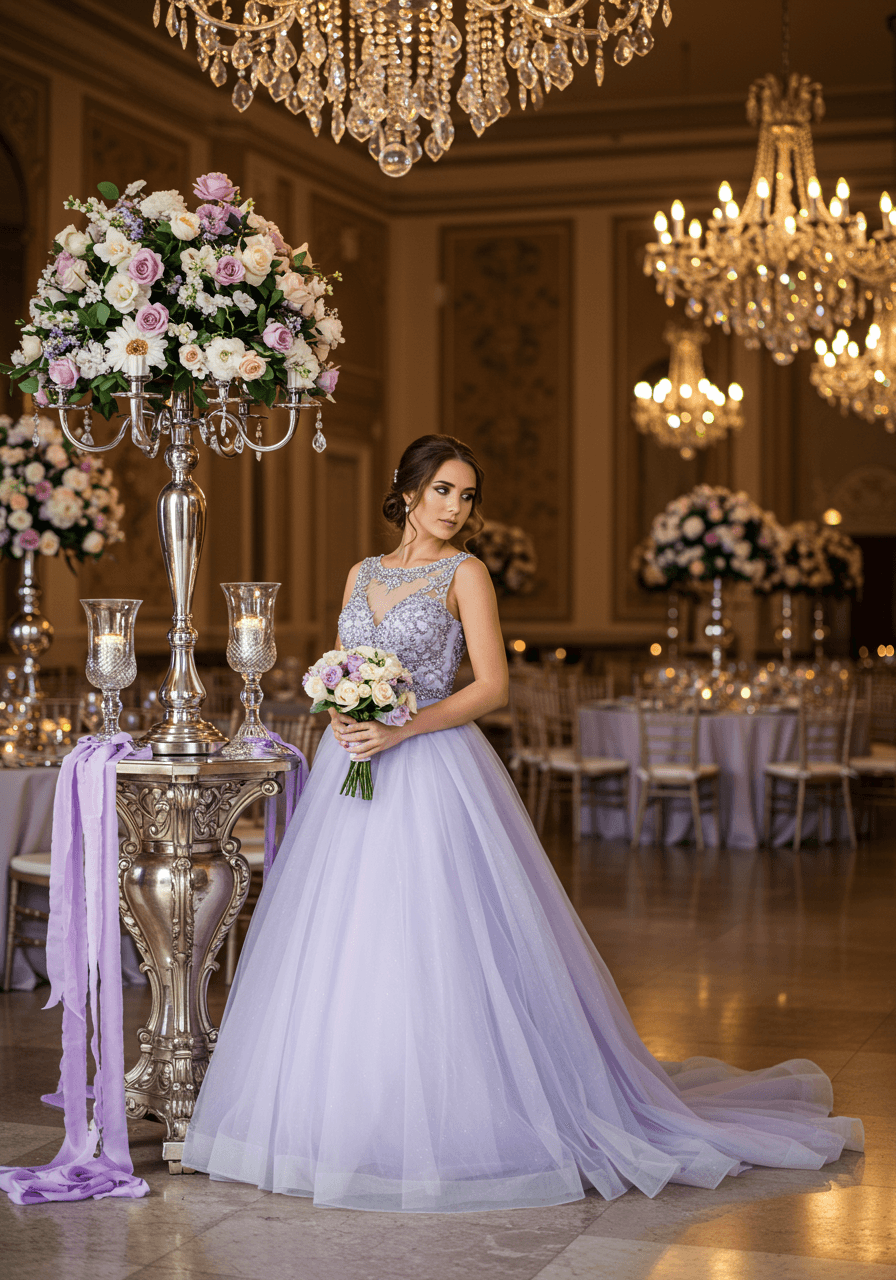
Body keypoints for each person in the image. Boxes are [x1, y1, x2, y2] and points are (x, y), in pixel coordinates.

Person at [182, 433, 862, 1212]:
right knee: (343, 936)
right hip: (353, 764)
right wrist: (343, 710)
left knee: (434, 938)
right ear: (406, 491)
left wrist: (402, 727)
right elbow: (343, 663)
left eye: (467, 495)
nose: (456, 508)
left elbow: (493, 686)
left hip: (429, 761)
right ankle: (333, 1114)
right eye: (444, 490)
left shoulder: (466, 573)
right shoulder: (361, 573)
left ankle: (455, 1114)